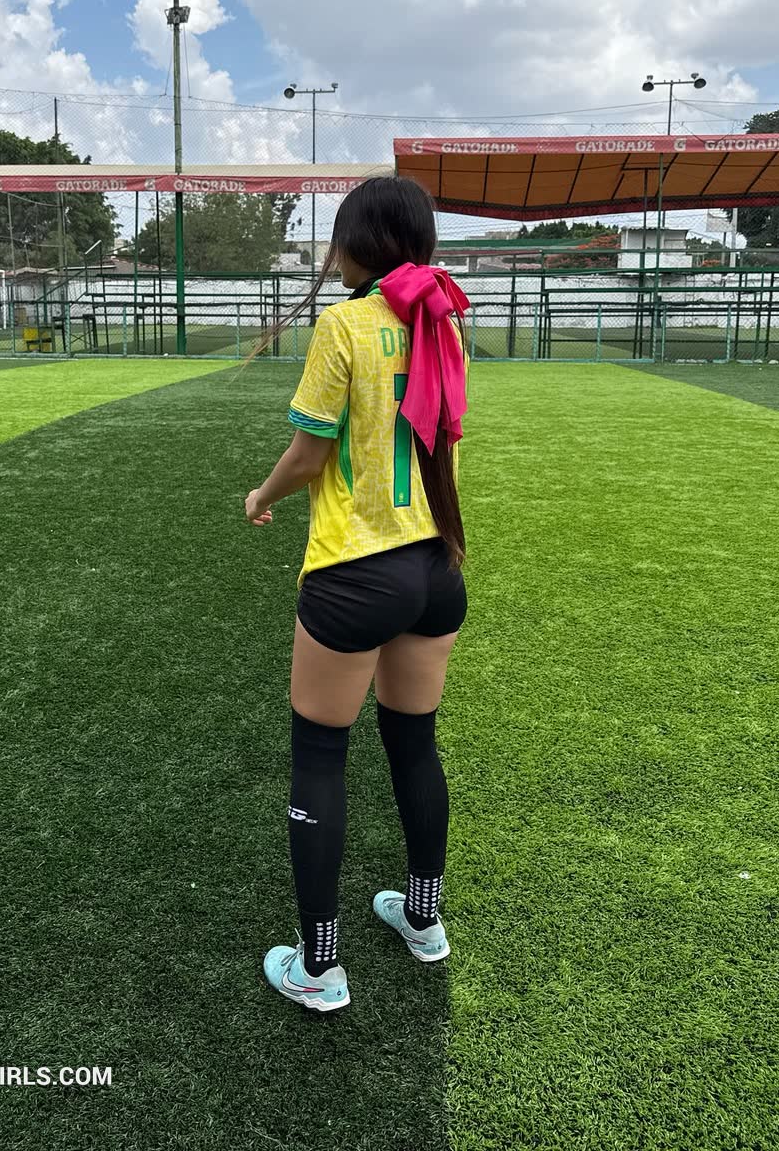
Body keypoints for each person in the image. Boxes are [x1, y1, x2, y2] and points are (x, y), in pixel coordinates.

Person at [244, 175, 471, 1012]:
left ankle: (319, 967)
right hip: (436, 568)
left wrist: (260, 496)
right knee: (415, 746)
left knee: (319, 757)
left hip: (355, 574)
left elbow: (308, 455)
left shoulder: (342, 324)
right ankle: (423, 920)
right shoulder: (444, 320)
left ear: (360, 243)